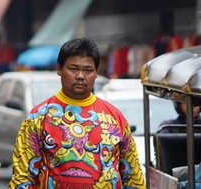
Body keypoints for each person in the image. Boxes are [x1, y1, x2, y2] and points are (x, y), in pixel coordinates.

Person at [10, 38, 145, 189]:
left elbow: (133, 175)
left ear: (96, 72)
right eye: (74, 69)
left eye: (88, 70)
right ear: (59, 69)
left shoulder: (115, 117)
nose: (81, 76)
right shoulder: (38, 117)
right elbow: (22, 177)